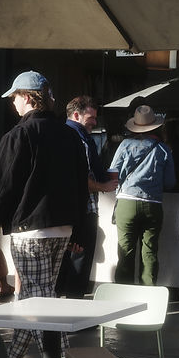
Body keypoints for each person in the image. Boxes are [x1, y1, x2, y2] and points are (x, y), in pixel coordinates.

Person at [0, 71, 89, 358]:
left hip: (29, 231)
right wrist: (79, 228)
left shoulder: (17, 136)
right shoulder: (69, 135)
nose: (13, 103)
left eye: (15, 96)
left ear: (28, 98)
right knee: (36, 297)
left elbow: (3, 189)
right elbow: (80, 186)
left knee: (39, 304)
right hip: (62, 228)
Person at [55, 96, 117, 298]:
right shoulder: (78, 138)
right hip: (83, 209)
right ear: (76, 115)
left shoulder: (63, 135)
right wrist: (104, 185)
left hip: (67, 209)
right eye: (90, 117)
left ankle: (59, 313)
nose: (94, 122)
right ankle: (74, 313)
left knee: (66, 261)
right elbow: (79, 178)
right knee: (78, 260)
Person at [110, 104, 176, 285]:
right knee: (149, 251)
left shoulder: (124, 145)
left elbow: (113, 173)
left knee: (125, 251)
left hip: (126, 204)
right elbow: (170, 183)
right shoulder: (163, 149)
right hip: (152, 204)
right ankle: (148, 295)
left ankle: (123, 295)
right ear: (156, 126)